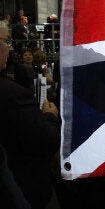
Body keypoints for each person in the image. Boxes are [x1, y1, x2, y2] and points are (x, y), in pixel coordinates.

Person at [0, 21, 61, 209]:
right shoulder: (13, 95)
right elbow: (47, 140)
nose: (10, 48)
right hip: (22, 189)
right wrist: (50, 116)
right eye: (6, 41)